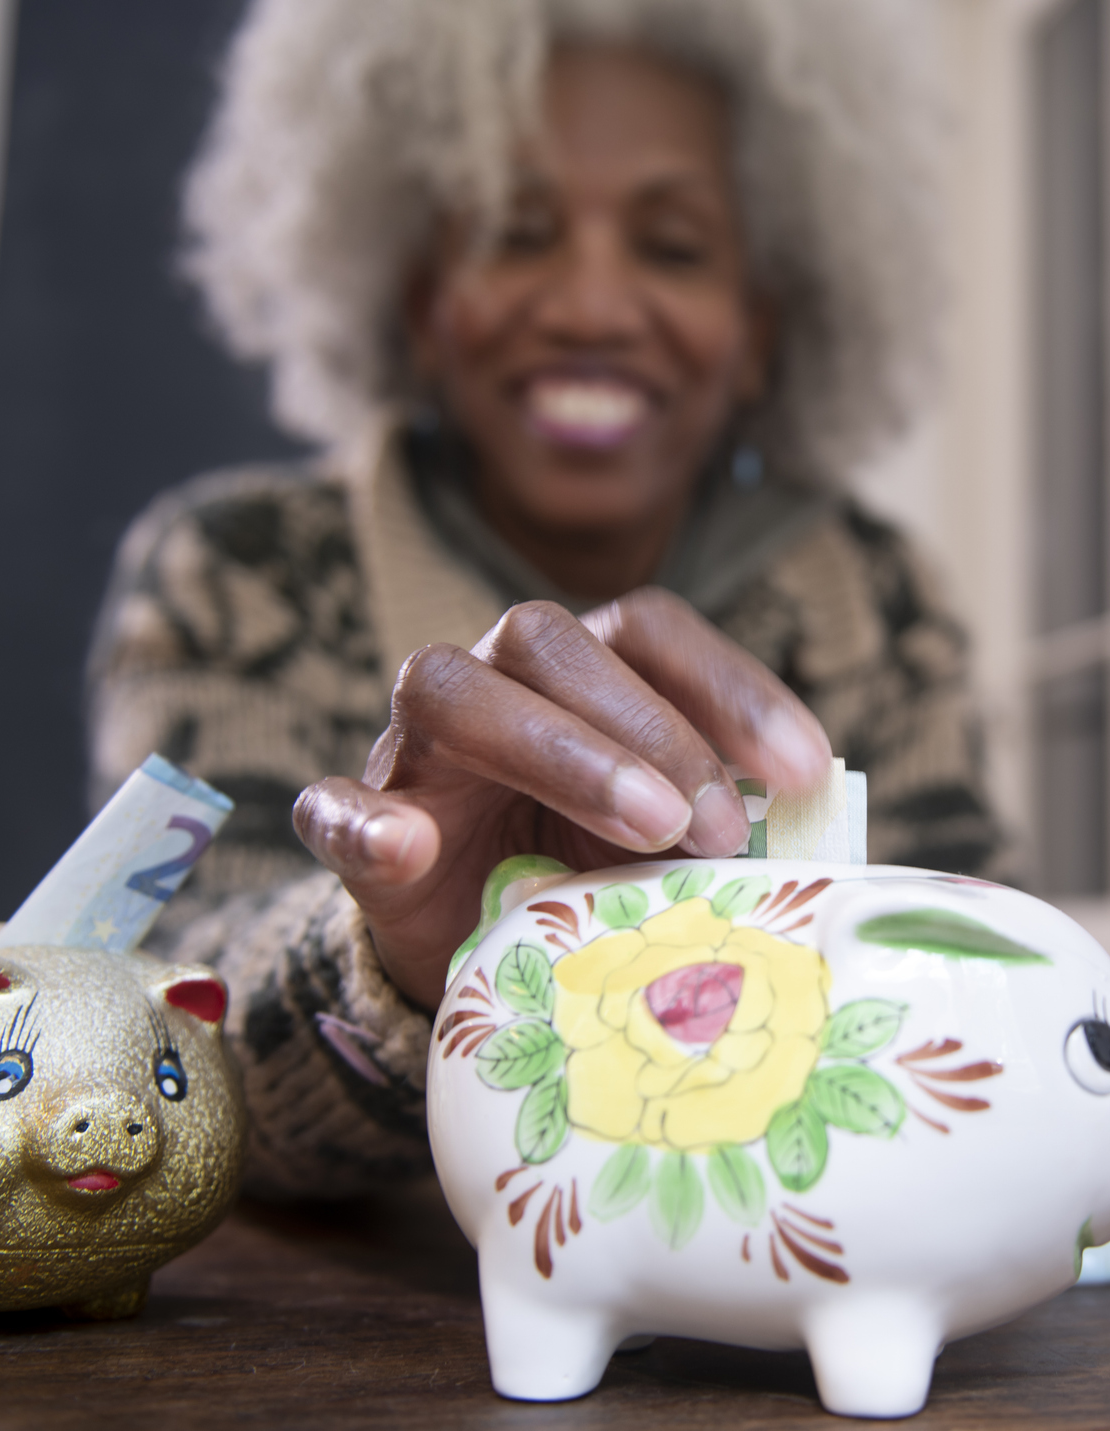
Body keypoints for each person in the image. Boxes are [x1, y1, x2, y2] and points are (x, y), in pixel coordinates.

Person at [88, 0, 1001, 1199]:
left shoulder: (878, 601)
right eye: (516, 233)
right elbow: (137, 1022)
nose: (589, 307)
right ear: (420, 303)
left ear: (759, 331)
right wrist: (391, 957)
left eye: (673, 248)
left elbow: (980, 1001)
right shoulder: (230, 571)